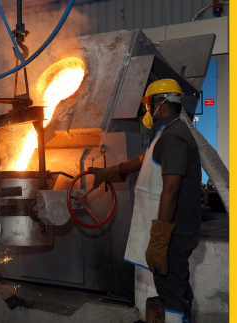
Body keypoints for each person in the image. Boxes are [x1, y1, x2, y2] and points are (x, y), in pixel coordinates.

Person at [89, 79, 201, 323]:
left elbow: (171, 189)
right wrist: (111, 172)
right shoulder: (166, 132)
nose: (146, 111)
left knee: (171, 291)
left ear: (159, 105)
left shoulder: (174, 136)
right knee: (177, 287)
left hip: (174, 230)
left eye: (148, 105)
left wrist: (160, 238)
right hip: (175, 228)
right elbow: (143, 159)